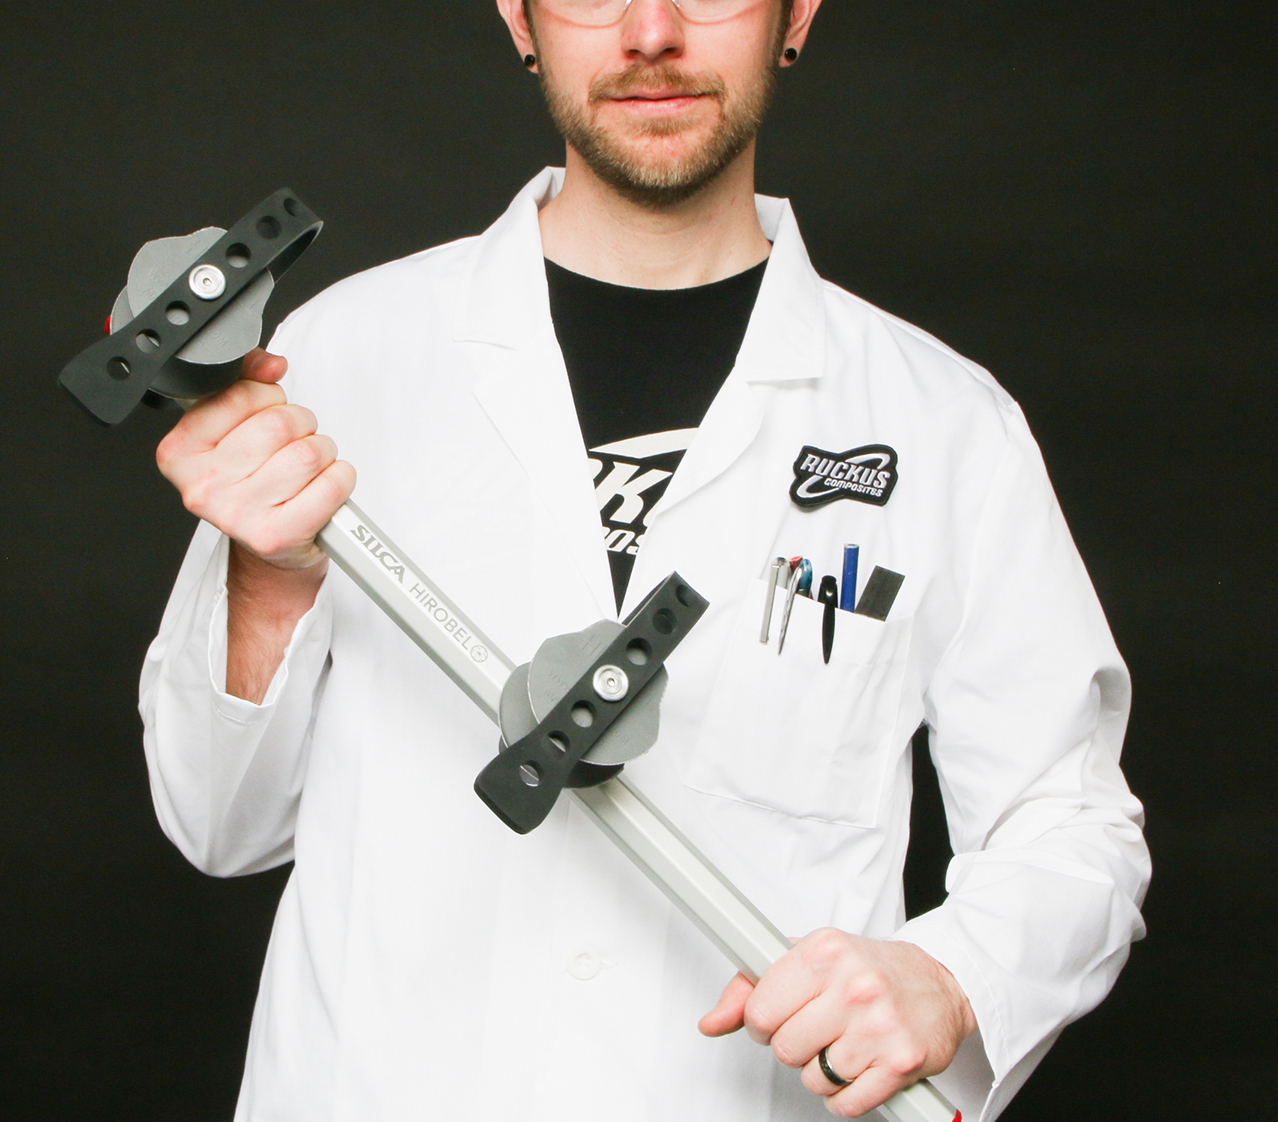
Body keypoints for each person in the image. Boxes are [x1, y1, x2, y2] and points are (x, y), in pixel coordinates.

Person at [141, 1, 1150, 1119]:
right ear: (519, 18)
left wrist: (950, 976)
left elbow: (1070, 820)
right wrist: (271, 579)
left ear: (796, 13)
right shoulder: (342, 357)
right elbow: (218, 825)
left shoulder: (944, 425)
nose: (652, 30)